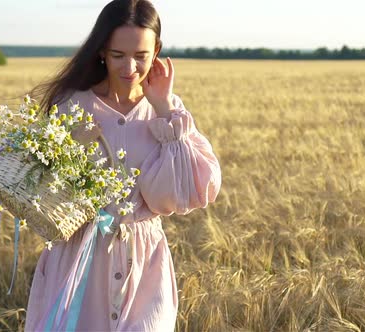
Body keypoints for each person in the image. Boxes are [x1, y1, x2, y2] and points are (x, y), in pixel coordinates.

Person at [24, 0, 221, 331]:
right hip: (79, 260)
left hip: (143, 264)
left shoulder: (170, 112)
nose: (130, 67)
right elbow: (39, 187)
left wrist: (164, 110)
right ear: (102, 50)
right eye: (118, 55)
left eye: (141, 56)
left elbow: (181, 193)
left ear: (156, 50)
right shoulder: (71, 104)